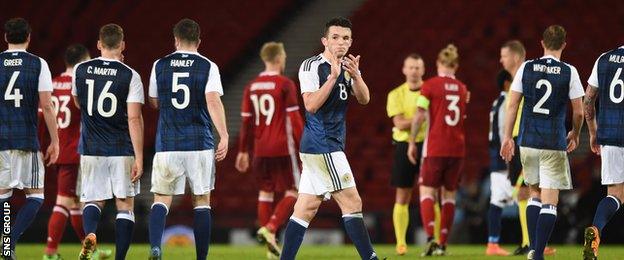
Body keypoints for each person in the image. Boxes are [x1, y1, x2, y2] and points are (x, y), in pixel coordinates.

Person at [279, 17, 379, 260]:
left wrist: (356, 76)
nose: (340, 43)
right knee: (352, 202)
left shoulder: (348, 66)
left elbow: (364, 99)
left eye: (345, 38)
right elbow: (311, 105)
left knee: (305, 208)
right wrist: (333, 78)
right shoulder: (312, 66)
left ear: (351, 41)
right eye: (335, 38)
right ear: (325, 40)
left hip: (322, 147)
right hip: (323, 145)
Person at [146, 18, 228, 260]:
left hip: (168, 143)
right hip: (199, 142)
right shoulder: (208, 66)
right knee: (201, 200)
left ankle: (155, 247)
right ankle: (201, 257)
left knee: (161, 199)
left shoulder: (159, 64)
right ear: (199, 41)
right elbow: (213, 100)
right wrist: (223, 134)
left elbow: (154, 101)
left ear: (175, 40)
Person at [500, 25, 584, 260]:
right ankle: (537, 253)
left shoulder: (526, 67)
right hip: (553, 142)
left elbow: (513, 104)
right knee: (550, 200)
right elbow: (578, 112)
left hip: (528, 141)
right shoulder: (570, 71)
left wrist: (507, 137)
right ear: (564, 45)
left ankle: (533, 249)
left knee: (533, 194)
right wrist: (575, 133)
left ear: (542, 43)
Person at [72, 24, 145, 260]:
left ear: (99, 44)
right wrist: (140, 157)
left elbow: (78, 103)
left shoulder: (81, 70)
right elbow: (134, 118)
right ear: (123, 45)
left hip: (92, 147)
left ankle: (91, 234)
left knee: (93, 200)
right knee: (124, 206)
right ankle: (120, 258)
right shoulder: (130, 75)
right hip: (121, 147)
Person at [40, 44, 112, 260]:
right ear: (83, 61)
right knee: (63, 201)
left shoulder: (51, 83)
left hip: (58, 148)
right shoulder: (81, 84)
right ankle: (50, 252)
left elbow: (43, 115)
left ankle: (90, 250)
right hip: (76, 151)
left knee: (76, 203)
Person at [235, 41, 303, 259]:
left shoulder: (251, 86)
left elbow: (245, 122)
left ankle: (270, 247)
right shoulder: (285, 84)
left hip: (260, 148)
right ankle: (271, 227)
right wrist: (305, 144)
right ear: (279, 58)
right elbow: (294, 117)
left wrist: (243, 151)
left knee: (265, 192)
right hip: (283, 147)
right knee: (295, 190)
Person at [0, 17, 59, 260]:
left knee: (3, 195)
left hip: (1, 139)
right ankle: (10, 242)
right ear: (28, 38)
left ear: (5, 37)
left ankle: (5, 245)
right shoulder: (38, 64)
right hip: (26, 138)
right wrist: (55, 141)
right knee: (36, 195)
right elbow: (46, 105)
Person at [407, 44, 469, 257]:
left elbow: (419, 115)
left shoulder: (430, 86)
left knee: (427, 192)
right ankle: (443, 244)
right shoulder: (462, 89)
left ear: (437, 64)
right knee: (449, 196)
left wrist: (412, 141)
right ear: (456, 66)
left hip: (435, 147)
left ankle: (431, 239)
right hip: (457, 149)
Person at [386, 53, 435, 256]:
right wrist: (420, 118)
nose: (414, 71)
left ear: (423, 70)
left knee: (432, 195)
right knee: (403, 195)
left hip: (429, 146)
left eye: (418, 67)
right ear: (404, 70)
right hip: (403, 145)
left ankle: (436, 241)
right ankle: (401, 243)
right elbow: (398, 123)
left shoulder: (431, 91)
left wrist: (413, 120)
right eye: (411, 67)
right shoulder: (395, 94)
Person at [582, 43, 624, 260]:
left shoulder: (604, 58)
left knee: (615, 194)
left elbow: (588, 99)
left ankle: (596, 231)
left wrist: (592, 132)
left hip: (609, 134)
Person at [485, 70, 514, 256]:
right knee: (527, 198)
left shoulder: (497, 102)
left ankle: (492, 244)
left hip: (496, 157)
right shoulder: (507, 103)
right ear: (506, 83)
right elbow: (505, 133)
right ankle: (534, 244)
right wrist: (510, 159)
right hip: (504, 158)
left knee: (497, 201)